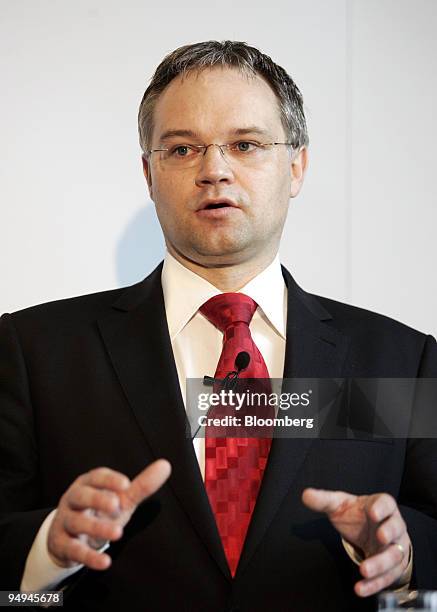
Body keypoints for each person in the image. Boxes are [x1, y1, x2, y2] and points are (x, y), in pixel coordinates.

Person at [1, 40, 436, 612]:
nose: (214, 170)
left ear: (297, 166)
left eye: (246, 144)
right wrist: (45, 555)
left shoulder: (401, 359)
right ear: (148, 173)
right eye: (182, 149)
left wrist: (405, 557)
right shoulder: (34, 352)